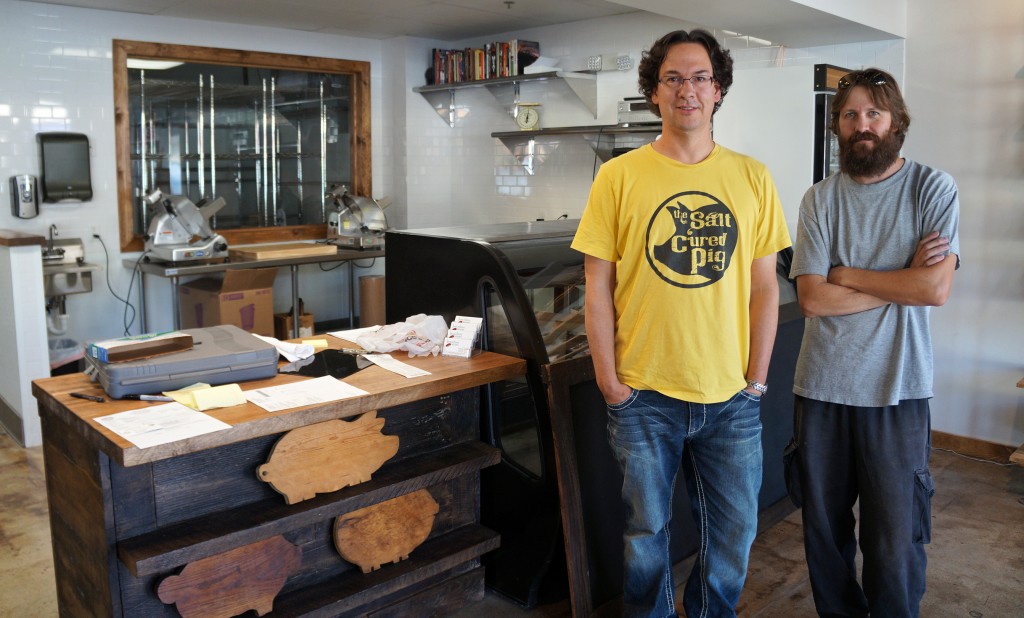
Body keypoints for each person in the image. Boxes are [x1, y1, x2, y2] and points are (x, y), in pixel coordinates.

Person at [571, 29, 791, 617]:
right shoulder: (618, 177)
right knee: (646, 537)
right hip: (643, 392)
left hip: (732, 397)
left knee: (734, 537)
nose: (686, 89)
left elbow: (765, 286)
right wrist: (610, 383)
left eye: (699, 78)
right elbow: (598, 285)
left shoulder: (752, 177)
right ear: (653, 93)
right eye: (673, 78)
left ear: (718, 91)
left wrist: (757, 379)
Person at [787, 68, 960, 617]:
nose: (863, 125)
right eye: (850, 115)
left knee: (894, 538)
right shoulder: (819, 200)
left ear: (896, 121)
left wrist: (848, 274)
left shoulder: (932, 188)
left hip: (897, 390)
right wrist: (896, 281)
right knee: (824, 534)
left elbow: (932, 288)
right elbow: (812, 300)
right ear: (836, 127)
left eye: (874, 113)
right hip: (821, 391)